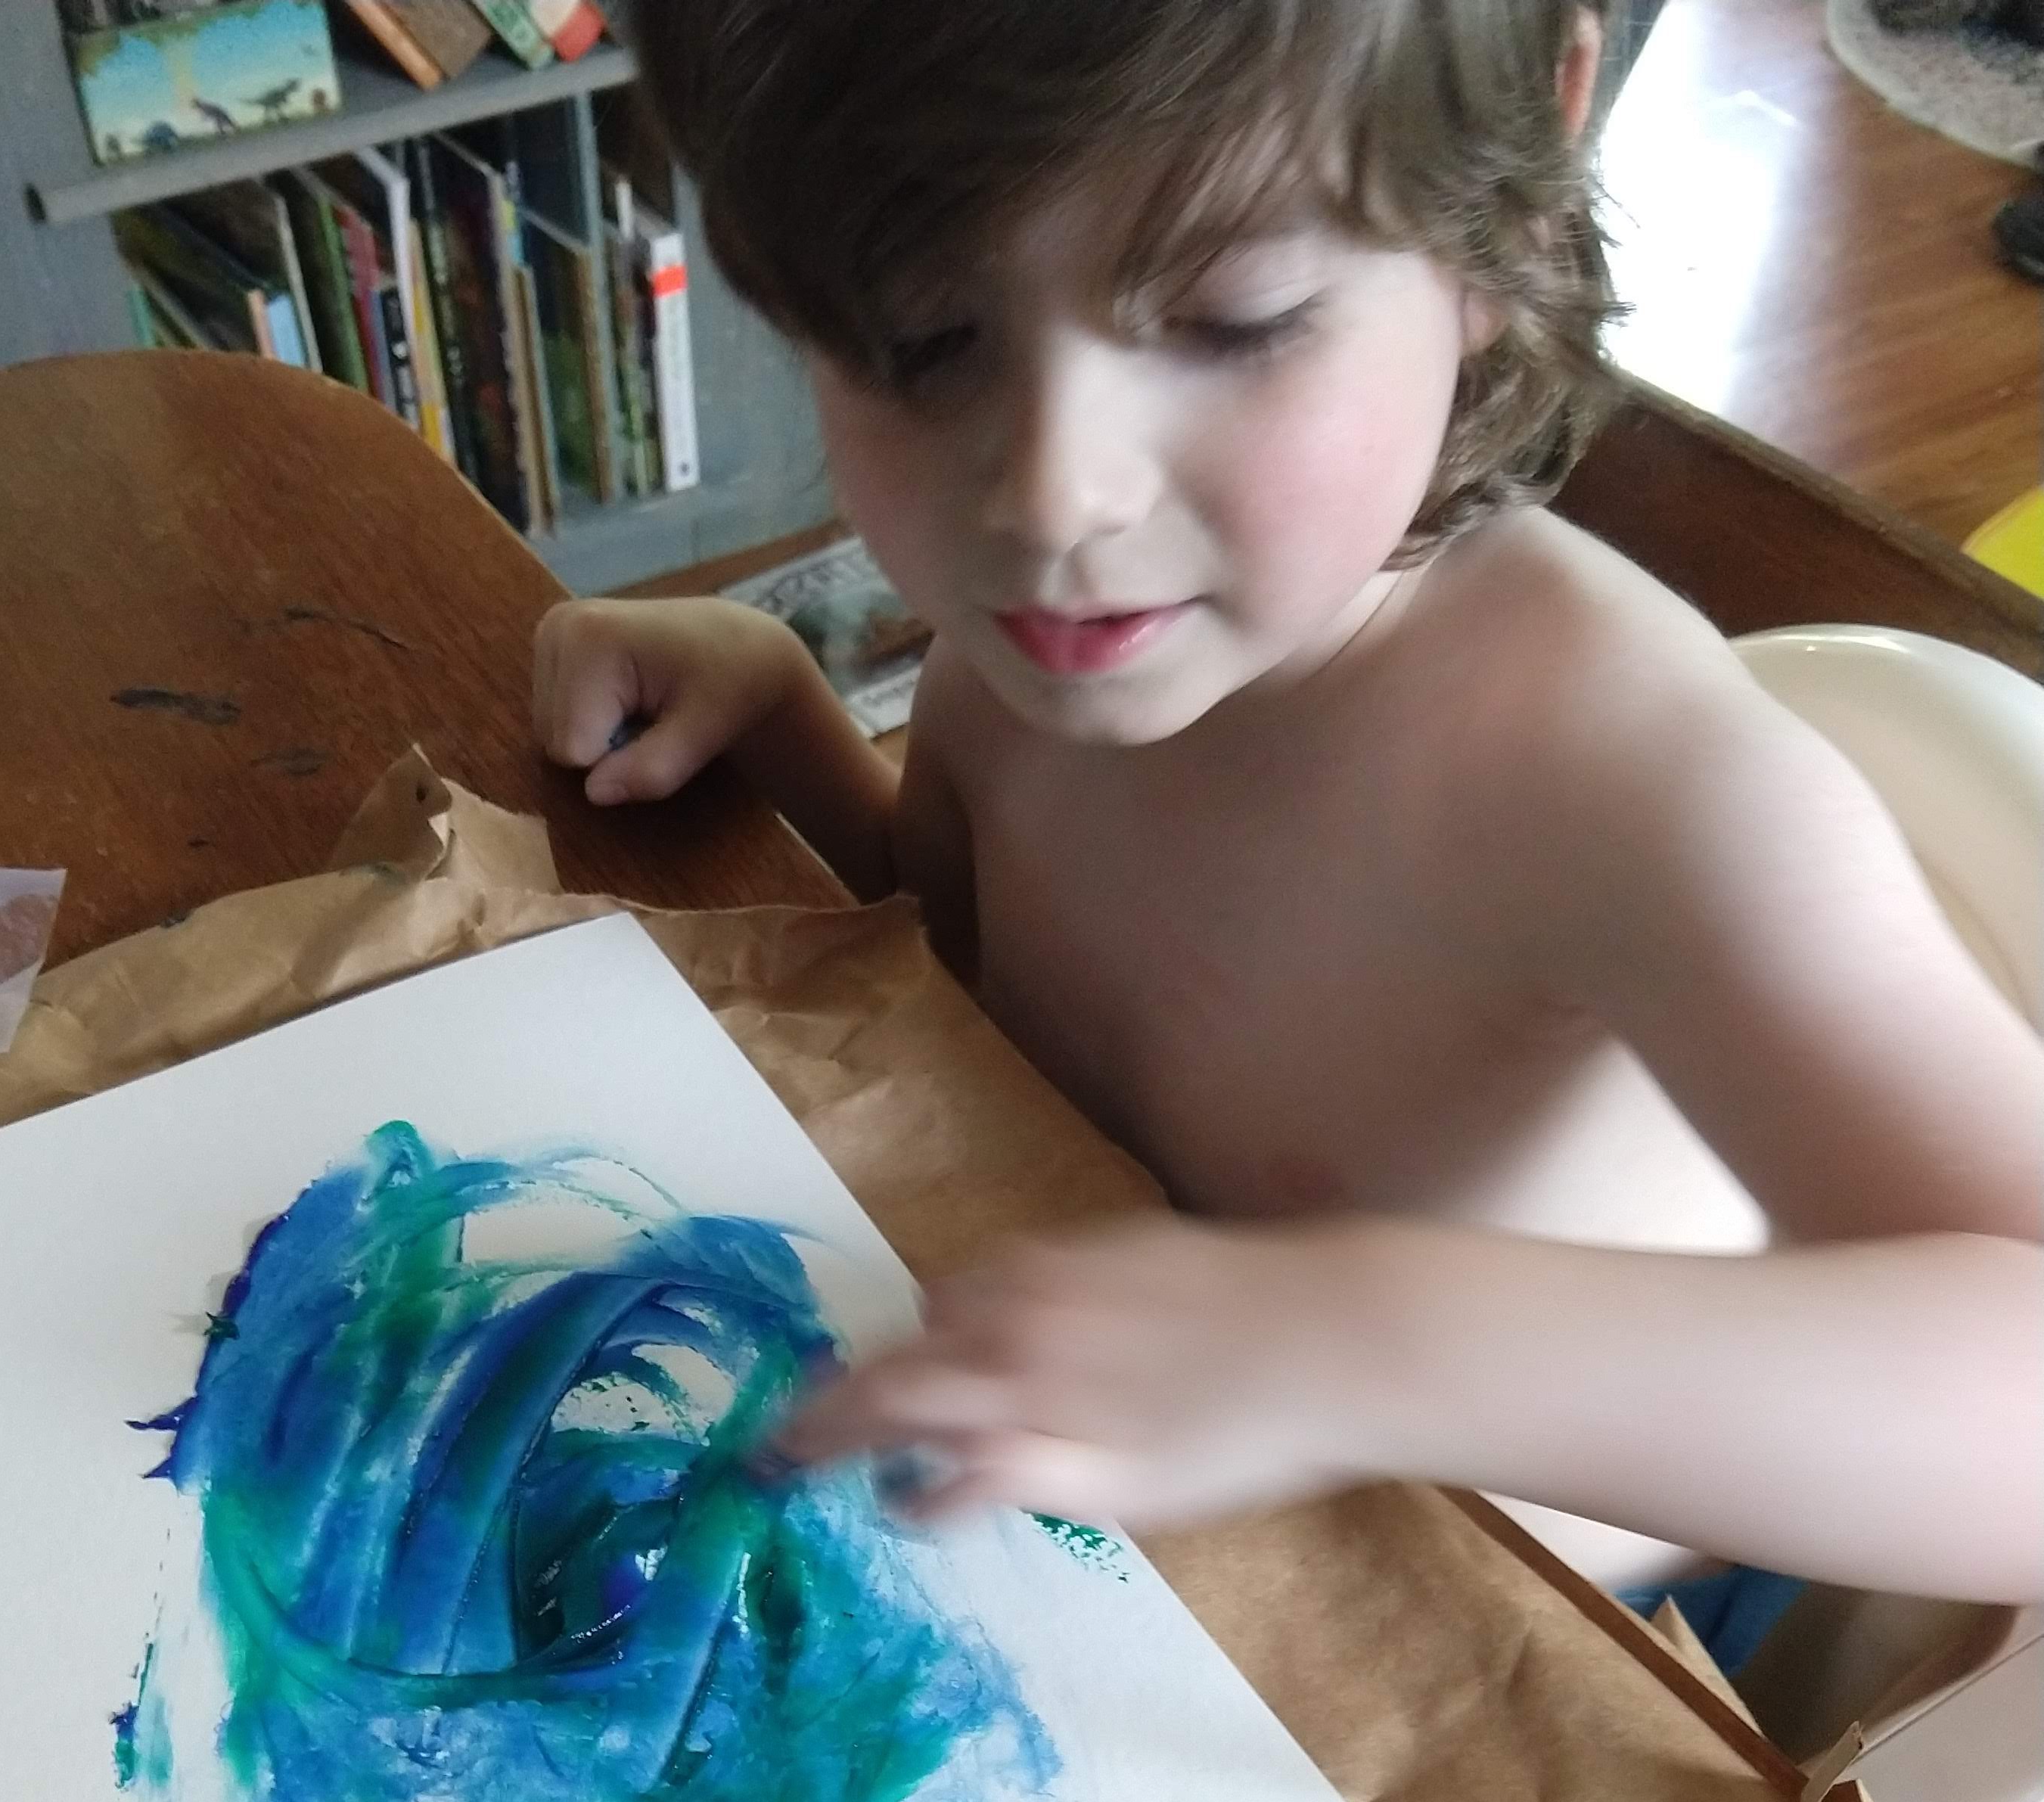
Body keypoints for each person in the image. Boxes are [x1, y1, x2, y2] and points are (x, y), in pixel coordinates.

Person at [533, 0, 2042, 1633]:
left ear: (1498, 187)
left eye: (1232, 319)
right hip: (1122, 1573)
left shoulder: (1619, 773)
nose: (1053, 495)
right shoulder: (1034, 656)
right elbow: (969, 981)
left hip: (1516, 1653)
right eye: (923, 343)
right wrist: (784, 723)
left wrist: (1352, 1341)